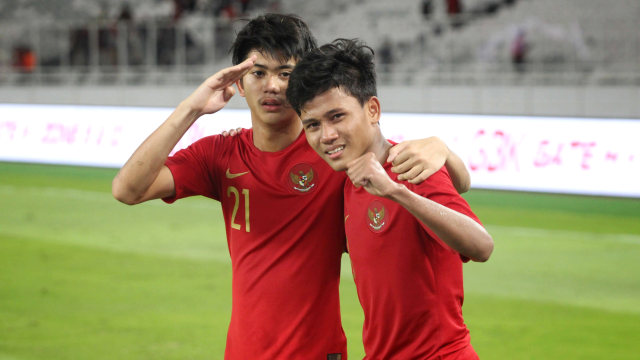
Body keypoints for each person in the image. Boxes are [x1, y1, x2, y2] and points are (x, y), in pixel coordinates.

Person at [112, 14, 470, 359]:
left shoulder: (337, 154)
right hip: (242, 351)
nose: (273, 85)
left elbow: (432, 178)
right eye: (258, 73)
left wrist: (443, 150)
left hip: (319, 351)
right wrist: (191, 108)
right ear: (238, 83)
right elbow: (127, 190)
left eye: (286, 73)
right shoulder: (220, 154)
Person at [287, 38, 494, 359]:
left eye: (337, 116)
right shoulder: (348, 182)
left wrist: (397, 192)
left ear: (372, 110)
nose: (326, 135)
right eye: (313, 125)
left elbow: (482, 246)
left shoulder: (412, 165)